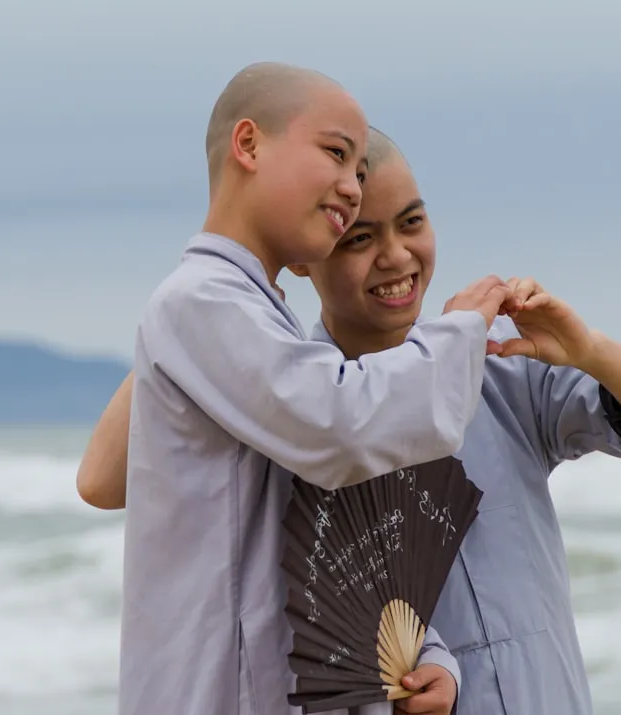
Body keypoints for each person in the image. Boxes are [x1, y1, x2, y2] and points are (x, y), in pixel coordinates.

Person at [80, 127, 621, 714]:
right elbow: (105, 480)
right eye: (359, 238)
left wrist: (591, 351)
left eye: (412, 222)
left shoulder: (497, 369)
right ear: (304, 254)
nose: (395, 256)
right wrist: (228, 278)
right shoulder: (286, 414)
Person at [118, 62, 517, 715]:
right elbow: (343, 423)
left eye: (360, 167)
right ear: (248, 145)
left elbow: (323, 542)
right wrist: (461, 328)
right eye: (336, 153)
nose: (351, 187)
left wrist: (429, 655)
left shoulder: (261, 322)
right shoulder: (199, 302)